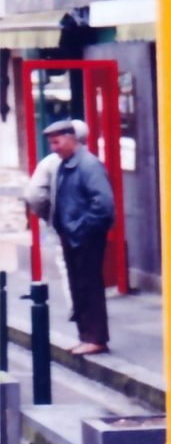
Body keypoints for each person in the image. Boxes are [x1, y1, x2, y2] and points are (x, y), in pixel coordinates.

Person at [43, 118, 115, 355]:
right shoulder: (67, 163)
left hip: (85, 236)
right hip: (73, 235)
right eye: (51, 144)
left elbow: (103, 204)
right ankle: (86, 335)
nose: (54, 148)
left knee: (89, 285)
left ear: (71, 139)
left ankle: (96, 337)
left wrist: (79, 228)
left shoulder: (88, 165)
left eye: (57, 142)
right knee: (78, 286)